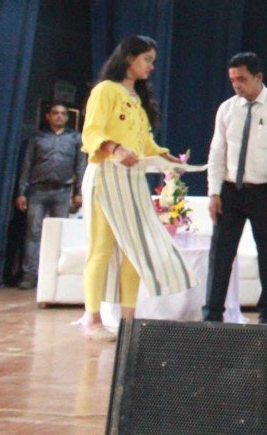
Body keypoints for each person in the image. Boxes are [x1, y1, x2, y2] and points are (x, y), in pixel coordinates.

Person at [80, 35, 194, 342]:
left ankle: (128, 320)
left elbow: (144, 142)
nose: (151, 66)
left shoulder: (136, 99)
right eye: (147, 60)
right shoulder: (106, 90)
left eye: (152, 61)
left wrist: (165, 157)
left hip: (133, 180)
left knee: (134, 249)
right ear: (129, 58)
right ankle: (92, 319)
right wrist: (115, 148)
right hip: (106, 175)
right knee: (101, 248)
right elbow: (91, 132)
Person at [204, 52, 267, 325]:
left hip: (265, 190)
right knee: (221, 254)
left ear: (259, 77)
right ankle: (212, 315)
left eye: (242, 79)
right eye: (233, 79)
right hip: (230, 190)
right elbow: (217, 152)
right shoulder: (226, 108)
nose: (236, 85)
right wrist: (214, 192)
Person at [14, 103, 86, 289]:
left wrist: (79, 193)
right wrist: (22, 192)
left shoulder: (75, 139)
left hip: (63, 192)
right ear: (48, 116)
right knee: (33, 233)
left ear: (67, 117)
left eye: (63, 114)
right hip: (38, 191)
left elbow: (80, 167)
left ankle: (53, 275)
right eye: (55, 113)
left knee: (60, 234)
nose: (59, 116)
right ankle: (30, 274)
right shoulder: (38, 138)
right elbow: (27, 166)